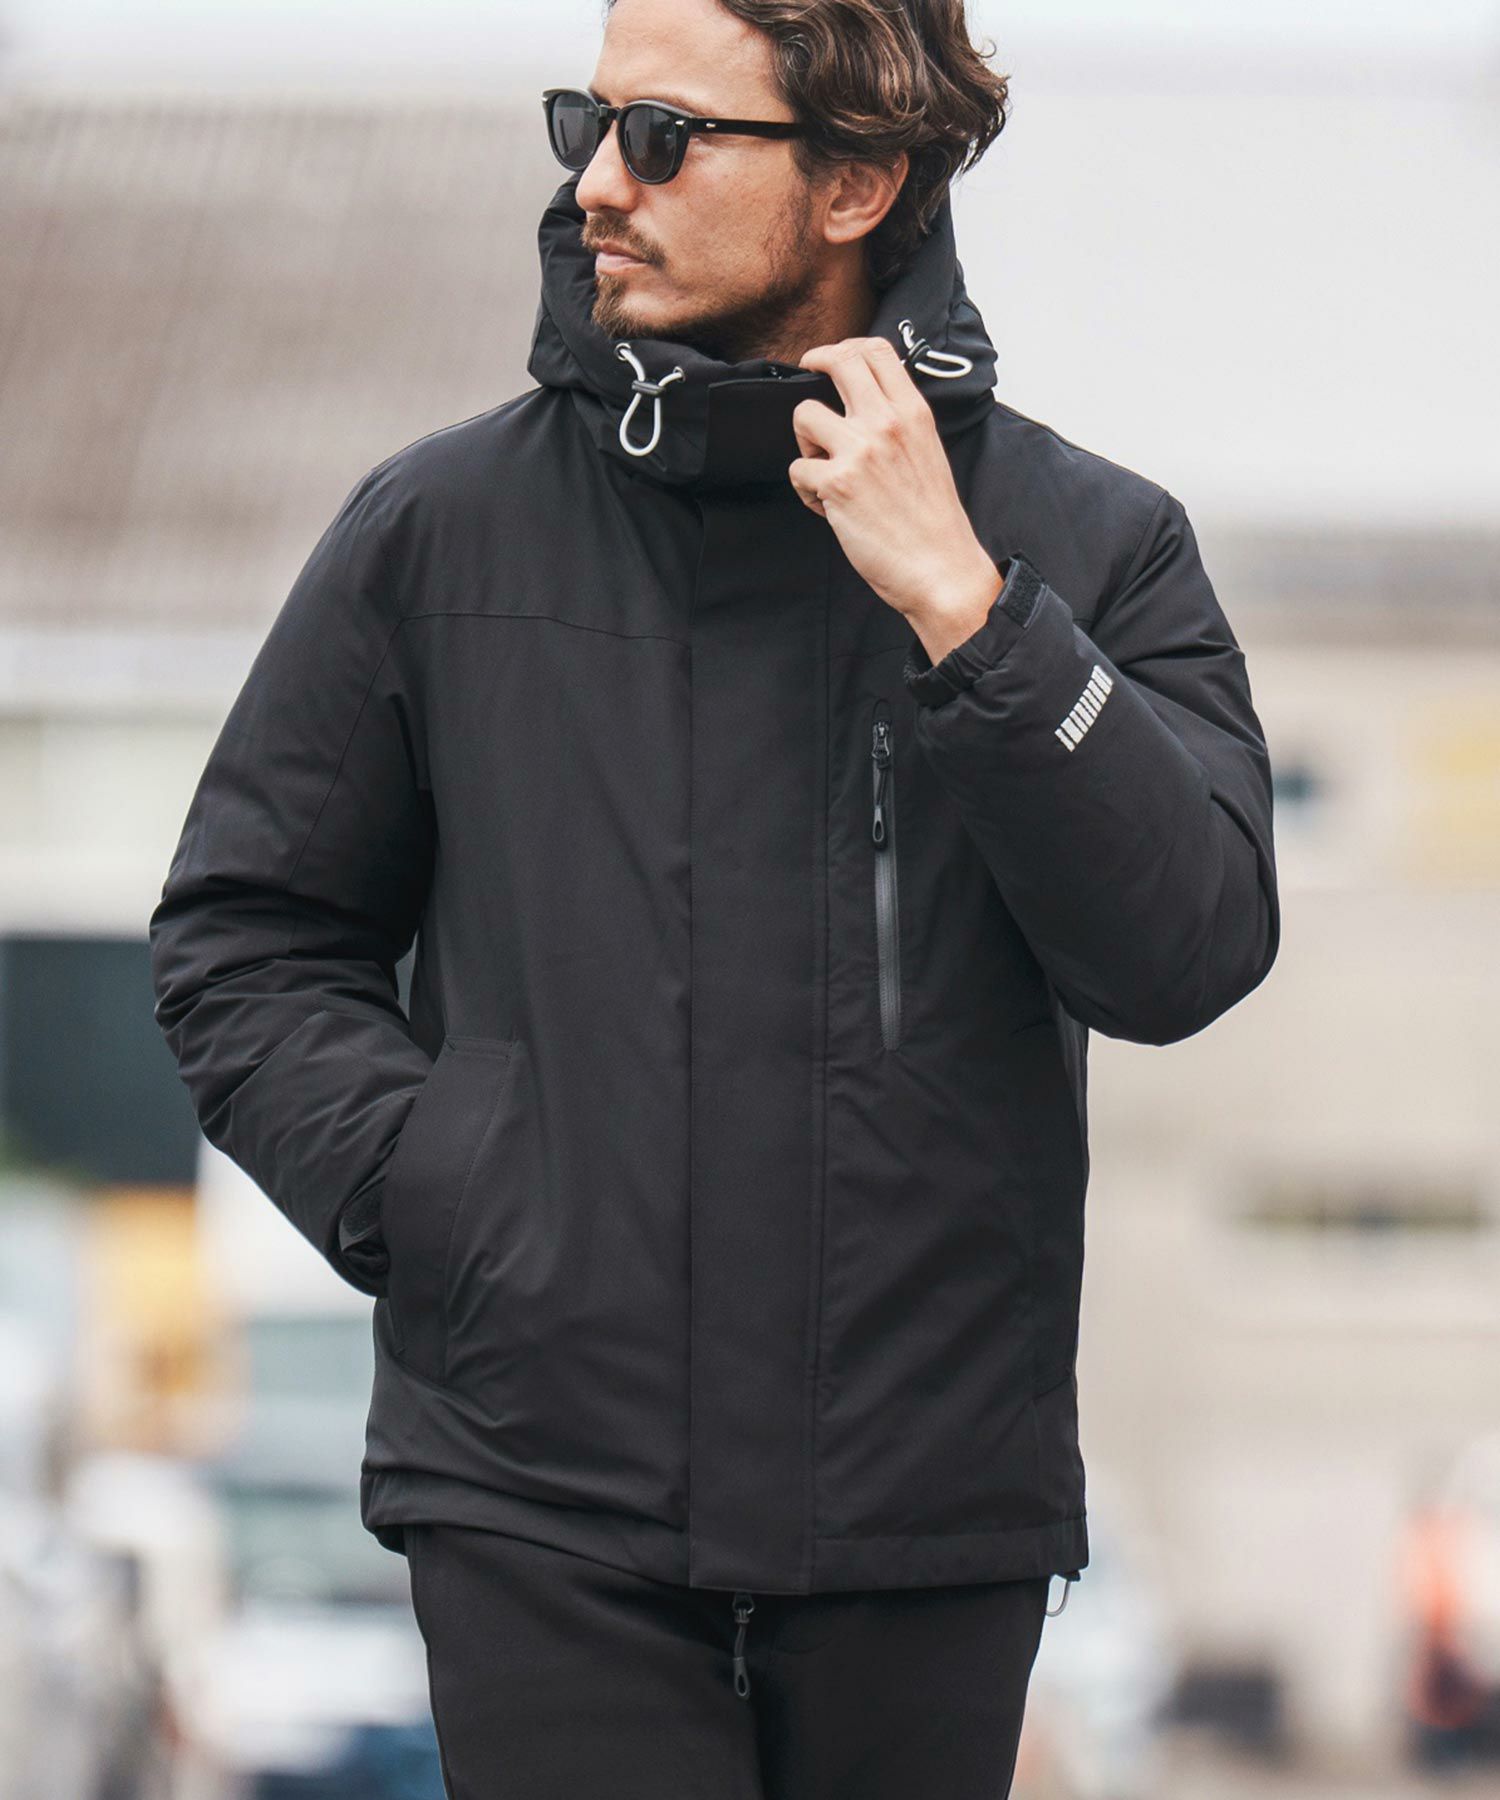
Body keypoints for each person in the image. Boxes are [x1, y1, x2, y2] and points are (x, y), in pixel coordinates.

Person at [148, 0, 1281, 1793]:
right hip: (544, 1502)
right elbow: (246, 939)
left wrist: (974, 619)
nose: (599, 183)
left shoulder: (1086, 548)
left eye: (665, 137)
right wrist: (453, 1199)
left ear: (855, 182)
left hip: (925, 1527)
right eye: (586, 123)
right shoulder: (437, 534)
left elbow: (1189, 947)